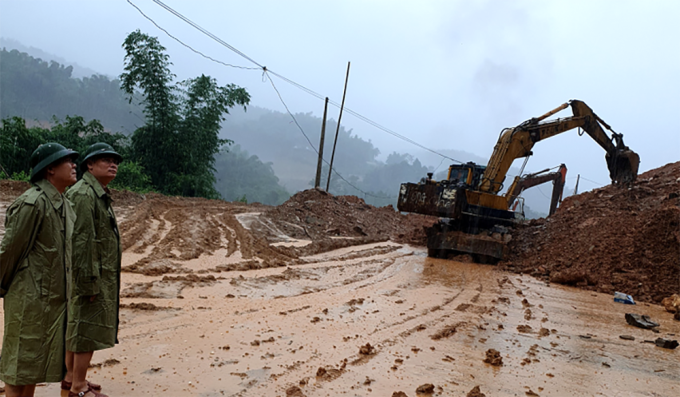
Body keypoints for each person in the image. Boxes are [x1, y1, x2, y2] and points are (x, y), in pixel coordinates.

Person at [0, 143, 79, 397]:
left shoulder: (64, 204)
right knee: (18, 366)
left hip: (52, 302)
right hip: (29, 300)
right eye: (68, 161)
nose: (74, 165)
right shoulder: (32, 203)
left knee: (33, 367)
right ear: (50, 170)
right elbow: (10, 251)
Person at [63, 143, 122, 397]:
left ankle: (71, 379)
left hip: (97, 273)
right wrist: (89, 281)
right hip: (89, 275)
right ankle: (78, 385)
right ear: (89, 165)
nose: (113, 165)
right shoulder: (85, 195)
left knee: (80, 326)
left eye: (115, 161)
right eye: (106, 160)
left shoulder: (97, 193)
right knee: (85, 328)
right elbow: (83, 242)